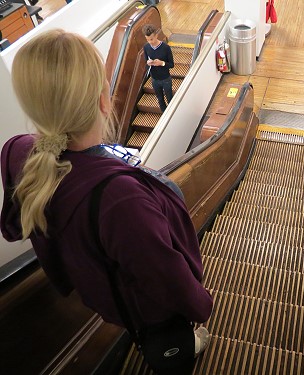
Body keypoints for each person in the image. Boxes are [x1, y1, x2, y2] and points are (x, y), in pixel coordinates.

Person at [0, 29, 212, 374]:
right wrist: (201, 305)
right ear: (103, 99)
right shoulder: (120, 198)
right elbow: (165, 277)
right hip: (149, 310)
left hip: (102, 293)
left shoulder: (17, 150)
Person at [142, 24, 174, 112]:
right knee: (160, 99)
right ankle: (164, 115)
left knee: (170, 99)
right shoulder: (146, 47)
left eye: (151, 39)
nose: (150, 42)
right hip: (154, 79)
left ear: (156, 35)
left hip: (165, 79)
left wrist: (162, 63)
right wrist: (148, 63)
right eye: (147, 39)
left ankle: (171, 116)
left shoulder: (165, 48)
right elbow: (146, 61)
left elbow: (171, 64)